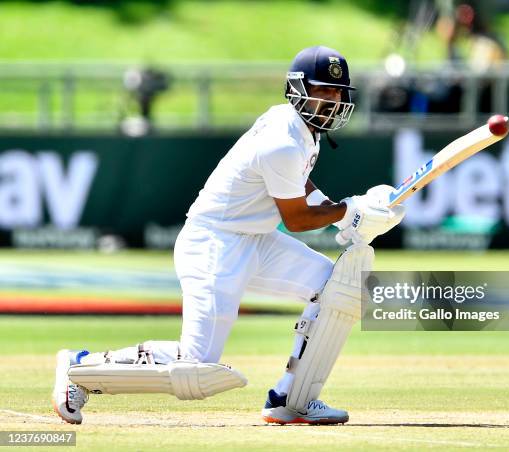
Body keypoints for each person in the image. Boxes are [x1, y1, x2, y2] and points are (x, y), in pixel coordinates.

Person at [52, 45, 404, 425]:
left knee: (337, 289)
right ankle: (80, 367)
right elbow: (298, 219)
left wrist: (341, 215)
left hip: (256, 240)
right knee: (196, 364)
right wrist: (351, 211)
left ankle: (292, 399)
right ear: (298, 89)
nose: (332, 101)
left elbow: (298, 182)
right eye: (323, 91)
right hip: (213, 244)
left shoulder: (301, 129)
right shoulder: (281, 140)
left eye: (337, 93)